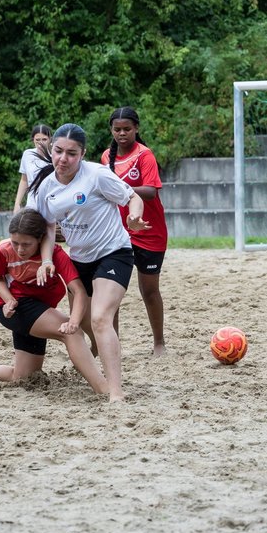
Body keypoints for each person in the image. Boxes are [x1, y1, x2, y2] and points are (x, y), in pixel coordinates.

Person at [0, 209, 108, 395]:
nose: (20, 249)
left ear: (40, 239)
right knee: (73, 334)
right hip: (15, 308)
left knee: (23, 376)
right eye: (15, 243)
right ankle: (104, 390)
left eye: (26, 244)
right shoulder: (3, 249)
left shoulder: (55, 255)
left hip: (39, 308)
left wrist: (74, 321)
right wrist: (9, 300)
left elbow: (78, 291)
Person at [29, 123, 148, 403]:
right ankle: (101, 366)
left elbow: (133, 196)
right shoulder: (47, 187)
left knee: (100, 318)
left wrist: (133, 217)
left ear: (82, 154)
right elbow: (47, 229)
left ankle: (116, 392)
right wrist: (46, 259)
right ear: (51, 149)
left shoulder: (96, 175)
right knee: (84, 327)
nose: (63, 159)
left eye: (71, 153)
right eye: (58, 151)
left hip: (114, 253)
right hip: (79, 260)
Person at [100, 107, 169, 355]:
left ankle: (159, 343)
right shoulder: (107, 157)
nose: (122, 133)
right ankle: (112, 344)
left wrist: (121, 190)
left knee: (149, 290)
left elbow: (151, 191)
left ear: (136, 129)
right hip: (119, 233)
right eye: (117, 129)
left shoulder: (145, 155)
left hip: (150, 232)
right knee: (112, 292)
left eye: (127, 129)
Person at [12, 124, 53, 212]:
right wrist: (17, 204)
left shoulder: (55, 157)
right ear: (33, 140)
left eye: (44, 139)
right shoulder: (28, 154)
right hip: (32, 205)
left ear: (50, 139)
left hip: (51, 205)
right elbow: (24, 180)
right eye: (37, 140)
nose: (41, 143)